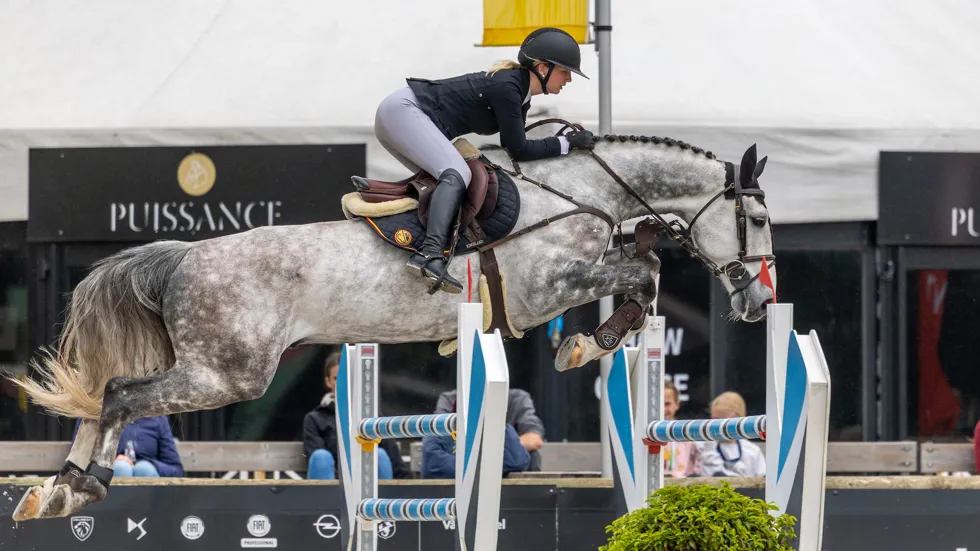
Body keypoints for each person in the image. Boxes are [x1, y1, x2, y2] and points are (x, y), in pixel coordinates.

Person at [365, 27, 595, 294]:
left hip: (399, 114)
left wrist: (562, 143)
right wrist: (566, 143)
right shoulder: (509, 87)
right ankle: (431, 256)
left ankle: (420, 244)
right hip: (403, 112)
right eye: (565, 71)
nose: (568, 79)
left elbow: (513, 148)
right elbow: (520, 149)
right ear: (543, 69)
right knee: (457, 174)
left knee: (445, 183)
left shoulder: (519, 92)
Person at [302, 350, 410, 480]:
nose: (342, 383)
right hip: (333, 491)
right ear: (328, 382)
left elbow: (396, 463)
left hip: (370, 489)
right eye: (337, 378)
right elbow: (319, 466)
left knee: (379, 455)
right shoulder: (314, 419)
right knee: (321, 457)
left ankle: (381, 500)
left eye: (347, 377)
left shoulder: (372, 417)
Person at [434, 387, 545, 470]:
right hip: (461, 468)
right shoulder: (451, 399)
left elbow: (533, 438)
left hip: (500, 473)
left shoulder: (517, 399)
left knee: (532, 456)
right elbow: (437, 440)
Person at [421, 398, 530, 479]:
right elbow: (435, 468)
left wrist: (499, 423)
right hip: (447, 502)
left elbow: (517, 461)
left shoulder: (497, 431)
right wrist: (491, 466)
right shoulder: (439, 434)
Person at [72, 416, 184, 478]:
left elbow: (176, 470)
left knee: (144, 469)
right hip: (105, 478)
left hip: (148, 478)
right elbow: (78, 463)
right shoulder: (93, 414)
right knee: (121, 468)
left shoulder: (157, 419)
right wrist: (110, 463)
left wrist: (149, 463)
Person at [696, 391, 766, 478]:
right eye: (715, 420)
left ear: (739, 421)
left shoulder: (753, 451)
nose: (719, 426)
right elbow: (706, 474)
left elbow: (762, 480)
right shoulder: (703, 446)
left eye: (724, 421)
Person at [662, 381, 699, 478]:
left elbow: (695, 470)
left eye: (667, 404)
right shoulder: (642, 434)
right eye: (658, 404)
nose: (662, 409)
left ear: (677, 404)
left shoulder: (688, 434)